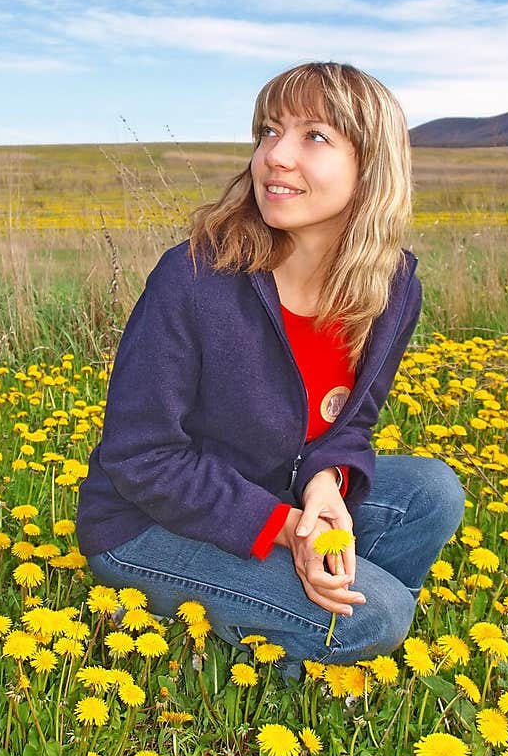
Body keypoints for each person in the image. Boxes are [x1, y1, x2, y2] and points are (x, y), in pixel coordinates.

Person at [75, 61, 465, 680]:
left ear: (372, 166)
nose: (274, 157)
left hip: (273, 490)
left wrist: (325, 485)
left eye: (314, 136)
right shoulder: (197, 277)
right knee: (379, 616)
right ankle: (272, 646)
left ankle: (315, 608)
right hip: (146, 524)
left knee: (432, 492)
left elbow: (349, 427)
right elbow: (139, 457)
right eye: (268, 132)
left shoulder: (391, 289)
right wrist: (286, 529)